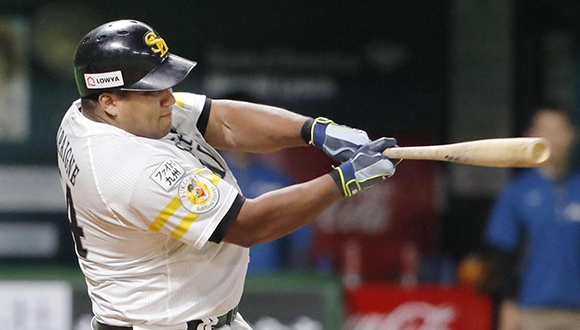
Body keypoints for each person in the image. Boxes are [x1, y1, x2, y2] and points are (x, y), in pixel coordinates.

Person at [57, 20, 397, 330]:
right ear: (109, 102)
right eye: (152, 90)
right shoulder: (129, 166)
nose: (169, 99)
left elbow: (221, 120)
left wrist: (315, 130)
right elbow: (249, 224)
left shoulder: (88, 113)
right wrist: (345, 180)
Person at [484, 106, 580, 330]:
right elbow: (504, 253)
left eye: (559, 130)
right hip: (531, 310)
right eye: (545, 131)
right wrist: (508, 304)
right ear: (529, 137)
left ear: (572, 135)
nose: (553, 139)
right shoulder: (517, 192)